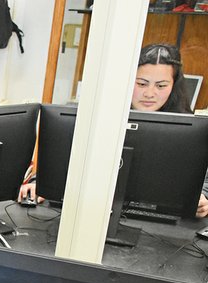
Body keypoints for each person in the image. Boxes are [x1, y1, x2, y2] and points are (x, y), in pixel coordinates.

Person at [19, 43, 208, 217]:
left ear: (174, 86)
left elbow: (202, 178)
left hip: (159, 224)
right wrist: (39, 183)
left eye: (161, 86)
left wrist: (203, 198)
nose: (150, 93)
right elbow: (62, 156)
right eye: (141, 83)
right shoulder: (99, 114)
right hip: (94, 213)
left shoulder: (189, 129)